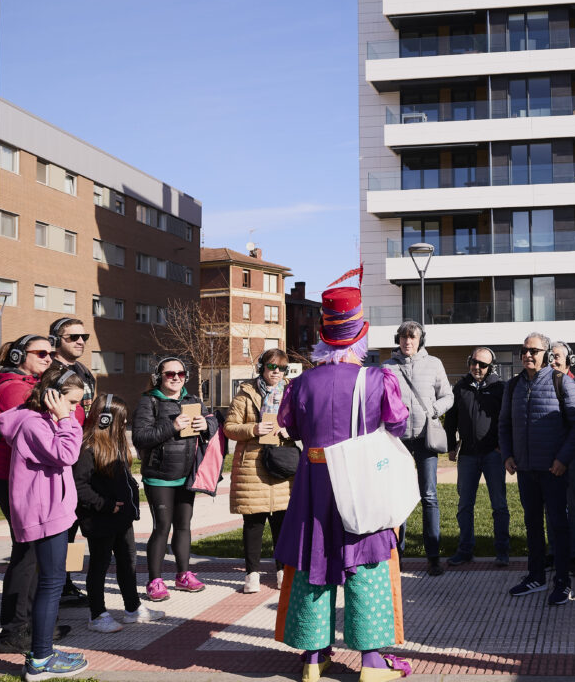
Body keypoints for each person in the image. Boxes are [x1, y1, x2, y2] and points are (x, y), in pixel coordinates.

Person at [273, 284, 412, 682]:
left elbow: (290, 426)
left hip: (313, 483)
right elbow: (399, 423)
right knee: (365, 565)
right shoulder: (377, 378)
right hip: (360, 480)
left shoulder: (300, 384)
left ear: (323, 336)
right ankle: (370, 663)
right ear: (360, 335)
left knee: (313, 564)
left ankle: (314, 660)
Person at [0, 366, 89, 680]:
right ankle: (41, 659)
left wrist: (62, 419)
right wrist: (65, 420)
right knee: (51, 583)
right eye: (72, 403)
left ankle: (42, 651)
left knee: (51, 582)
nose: (75, 410)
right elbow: (67, 454)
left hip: (51, 510)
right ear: (53, 396)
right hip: (45, 514)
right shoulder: (34, 424)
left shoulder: (38, 420)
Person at [500, 332, 575, 606]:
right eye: (524, 350)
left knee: (558, 526)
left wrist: (563, 459)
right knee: (532, 525)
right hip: (526, 470)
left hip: (553, 471)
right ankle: (536, 576)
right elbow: (504, 424)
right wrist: (507, 455)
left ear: (546, 354)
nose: (528, 355)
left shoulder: (561, 382)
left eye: (534, 351)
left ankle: (562, 582)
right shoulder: (512, 385)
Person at [0, 334, 62, 654]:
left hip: (26, 477)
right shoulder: (14, 389)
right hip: (14, 478)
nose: (49, 358)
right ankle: (14, 630)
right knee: (28, 553)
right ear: (20, 356)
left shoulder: (28, 385)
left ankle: (32, 623)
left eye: (51, 353)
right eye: (41, 353)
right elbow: (37, 435)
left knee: (33, 554)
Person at [72, 394, 165, 633]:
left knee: (128, 563)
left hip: (122, 520)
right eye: (121, 420)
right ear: (104, 420)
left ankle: (132, 608)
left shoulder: (116, 445)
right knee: (100, 565)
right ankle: (97, 614)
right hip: (101, 519)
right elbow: (79, 486)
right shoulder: (88, 449)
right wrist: (104, 504)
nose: (124, 425)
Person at [132, 356, 217, 601]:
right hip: (159, 477)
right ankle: (154, 580)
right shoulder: (149, 401)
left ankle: (183, 575)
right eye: (170, 374)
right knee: (162, 527)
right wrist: (173, 426)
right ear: (160, 377)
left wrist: (206, 425)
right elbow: (141, 438)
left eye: (180, 373)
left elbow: (210, 427)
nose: (176, 378)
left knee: (184, 526)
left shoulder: (193, 400)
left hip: (186, 474)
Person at [383, 320, 453, 577]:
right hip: (398, 440)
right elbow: (380, 401)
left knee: (429, 496)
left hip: (425, 439)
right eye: (403, 338)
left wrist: (432, 411)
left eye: (412, 338)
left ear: (420, 340)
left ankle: (433, 556)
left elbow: (448, 396)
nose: (407, 342)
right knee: (399, 498)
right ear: (397, 340)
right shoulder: (386, 368)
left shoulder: (434, 364)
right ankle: (396, 556)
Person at [226, 347, 299, 594]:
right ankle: (252, 574)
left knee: (281, 522)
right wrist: (253, 429)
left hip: (282, 463)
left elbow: (302, 422)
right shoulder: (245, 393)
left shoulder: (292, 392)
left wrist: (290, 431)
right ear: (262, 367)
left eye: (282, 368)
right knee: (254, 523)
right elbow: (230, 427)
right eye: (272, 366)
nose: (276, 372)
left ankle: (281, 572)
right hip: (253, 465)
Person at [444, 347, 510, 568]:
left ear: (490, 367)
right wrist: (451, 446)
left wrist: (503, 446)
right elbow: (451, 418)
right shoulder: (461, 387)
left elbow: (507, 419)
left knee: (499, 505)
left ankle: (502, 551)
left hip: (493, 455)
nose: (477, 367)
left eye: (482, 364)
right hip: (468, 456)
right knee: (464, 505)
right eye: (474, 362)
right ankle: (464, 550)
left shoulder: (500, 388)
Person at [49, 317, 96, 607]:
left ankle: (67, 581)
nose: (80, 341)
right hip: (57, 456)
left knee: (75, 524)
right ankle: (55, 583)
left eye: (84, 337)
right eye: (73, 337)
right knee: (59, 526)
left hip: (82, 455)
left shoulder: (84, 372)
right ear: (56, 340)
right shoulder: (49, 372)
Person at [550, 340, 575, 576]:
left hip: (571, 453)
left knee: (572, 504)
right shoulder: (545, 381)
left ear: (569, 360)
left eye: (557, 356)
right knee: (551, 505)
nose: (553, 360)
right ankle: (554, 551)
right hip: (548, 452)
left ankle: (574, 554)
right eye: (551, 356)